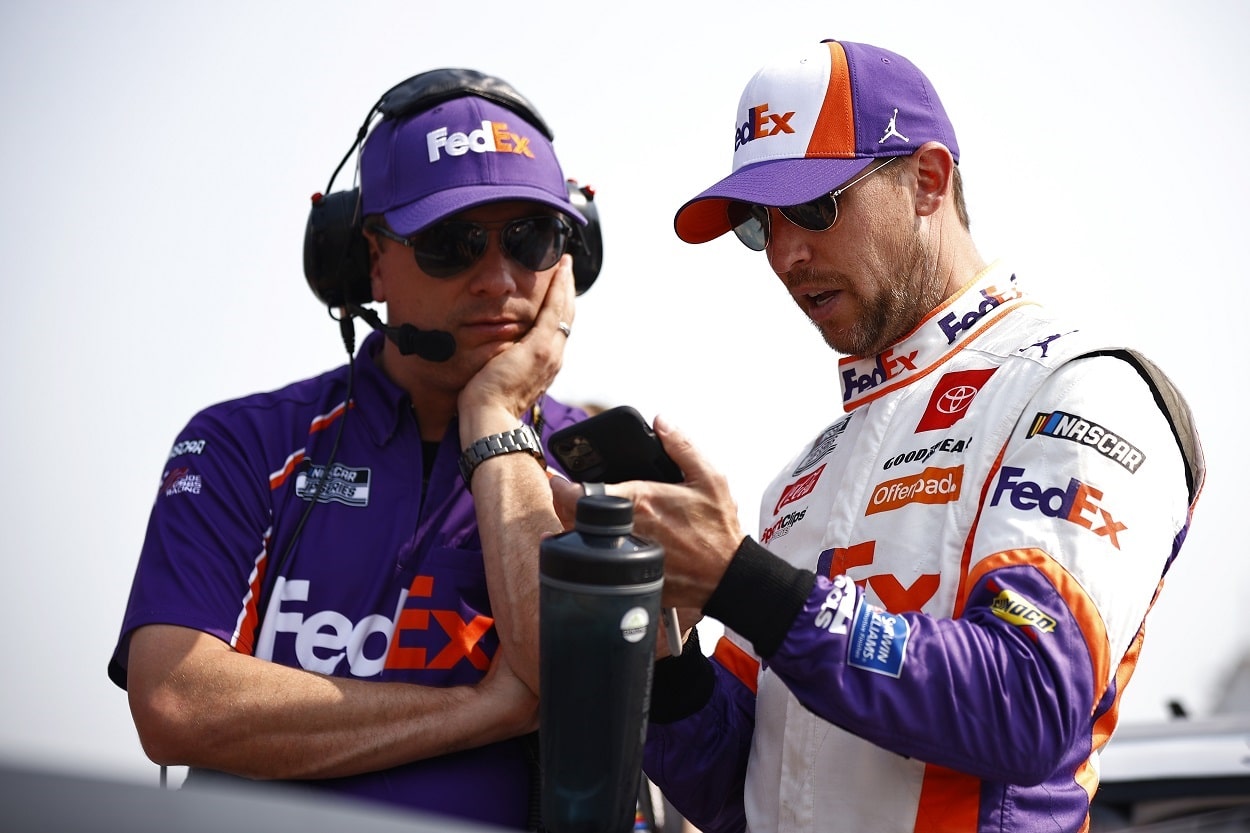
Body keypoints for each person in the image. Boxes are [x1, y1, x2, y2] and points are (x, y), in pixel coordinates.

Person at [551, 39, 1205, 833]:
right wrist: (660, 643)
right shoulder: (804, 476)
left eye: (815, 205)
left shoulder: (1080, 387)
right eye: (760, 225)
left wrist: (742, 581)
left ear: (927, 180)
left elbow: (1029, 701)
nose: (787, 252)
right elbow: (739, 791)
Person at [108, 68, 593, 830]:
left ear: (572, 259)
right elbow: (176, 702)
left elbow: (583, 695)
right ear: (368, 259)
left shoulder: (608, 471)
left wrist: (497, 414)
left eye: (531, 239)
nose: (498, 279)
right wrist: (483, 708)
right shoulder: (241, 443)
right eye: (452, 243)